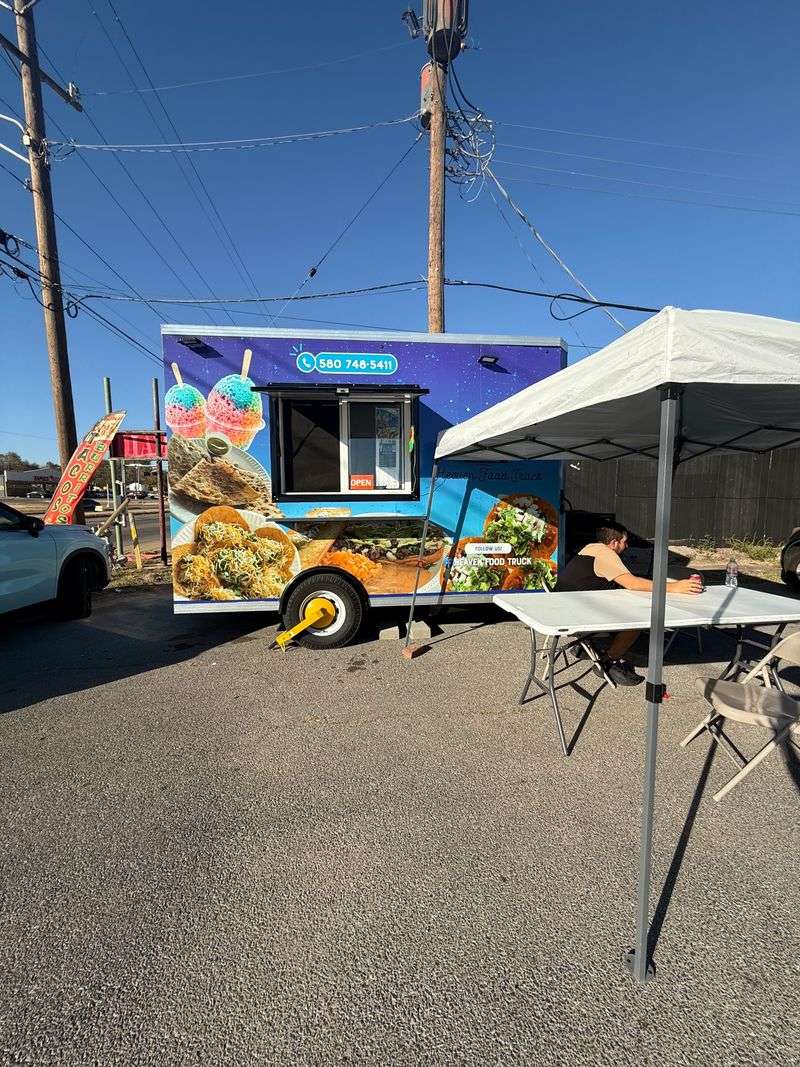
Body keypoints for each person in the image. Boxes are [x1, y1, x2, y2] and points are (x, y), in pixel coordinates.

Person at [555, 523, 702, 686]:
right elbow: (632, 583)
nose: (627, 545)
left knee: (625, 604)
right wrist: (676, 587)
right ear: (613, 543)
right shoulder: (606, 554)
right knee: (638, 618)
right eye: (624, 541)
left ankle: (588, 644)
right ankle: (609, 661)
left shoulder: (591, 548)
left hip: (565, 607)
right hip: (576, 617)